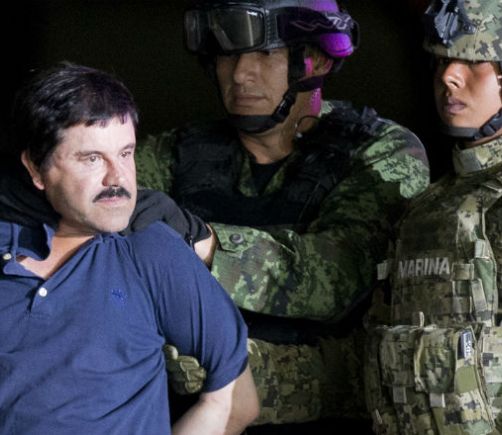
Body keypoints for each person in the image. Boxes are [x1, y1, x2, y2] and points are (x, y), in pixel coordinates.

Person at [134, 0, 430, 431]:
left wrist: (205, 243)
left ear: (317, 60)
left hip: (323, 409)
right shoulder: (176, 154)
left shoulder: (380, 152)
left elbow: (339, 278)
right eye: (228, 55)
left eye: (264, 53)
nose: (240, 73)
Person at [0, 62, 259, 434]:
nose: (118, 178)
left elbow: (235, 403)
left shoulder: (150, 250)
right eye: (92, 159)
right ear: (37, 168)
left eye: (126, 153)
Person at [365, 0, 502, 433]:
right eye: (442, 60)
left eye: (474, 61)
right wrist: (246, 371)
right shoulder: (424, 210)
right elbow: (375, 371)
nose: (449, 76)